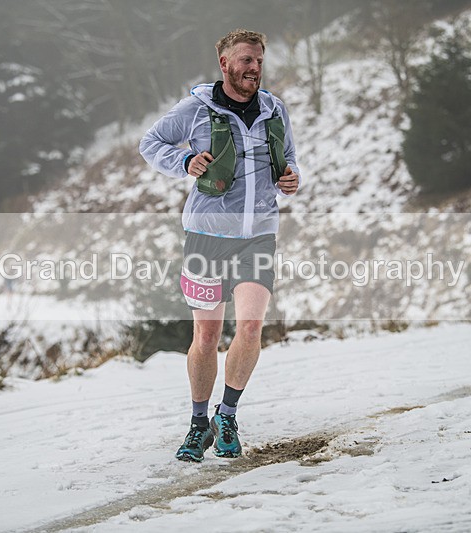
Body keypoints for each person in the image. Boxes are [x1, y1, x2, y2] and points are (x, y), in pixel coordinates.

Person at [139, 29, 301, 462]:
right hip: (206, 236)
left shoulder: (273, 110)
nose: (254, 68)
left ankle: (226, 415)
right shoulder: (196, 108)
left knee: (249, 327)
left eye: (259, 61)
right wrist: (184, 162)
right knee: (207, 334)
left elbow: (289, 159)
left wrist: (290, 178)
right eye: (245, 60)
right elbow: (150, 143)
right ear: (225, 64)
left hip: (259, 235)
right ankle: (197, 424)